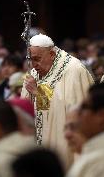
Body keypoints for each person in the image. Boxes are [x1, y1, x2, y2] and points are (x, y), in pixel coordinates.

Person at [21, 34, 94, 168]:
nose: (34, 64)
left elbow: (74, 111)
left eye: (37, 59)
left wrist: (37, 93)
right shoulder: (34, 72)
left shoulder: (74, 70)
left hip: (64, 144)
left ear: (52, 54)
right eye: (31, 59)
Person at [67, 83, 104, 177]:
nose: (78, 114)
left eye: (84, 107)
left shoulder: (103, 160)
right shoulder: (97, 152)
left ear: (101, 115)